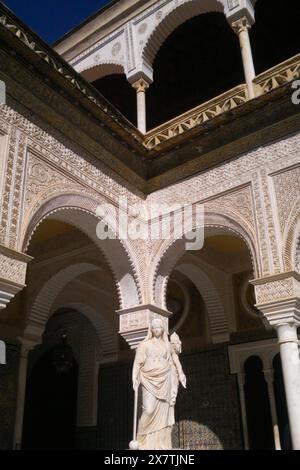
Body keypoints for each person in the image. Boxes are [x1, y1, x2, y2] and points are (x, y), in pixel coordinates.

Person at [132, 318, 186, 450]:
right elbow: (137, 363)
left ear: (163, 329)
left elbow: (175, 358)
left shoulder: (167, 345)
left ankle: (162, 443)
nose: (157, 329)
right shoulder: (144, 345)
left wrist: (181, 373)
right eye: (155, 327)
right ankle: (141, 437)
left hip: (165, 379)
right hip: (148, 379)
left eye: (160, 327)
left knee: (164, 413)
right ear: (151, 329)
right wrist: (134, 377)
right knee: (149, 410)